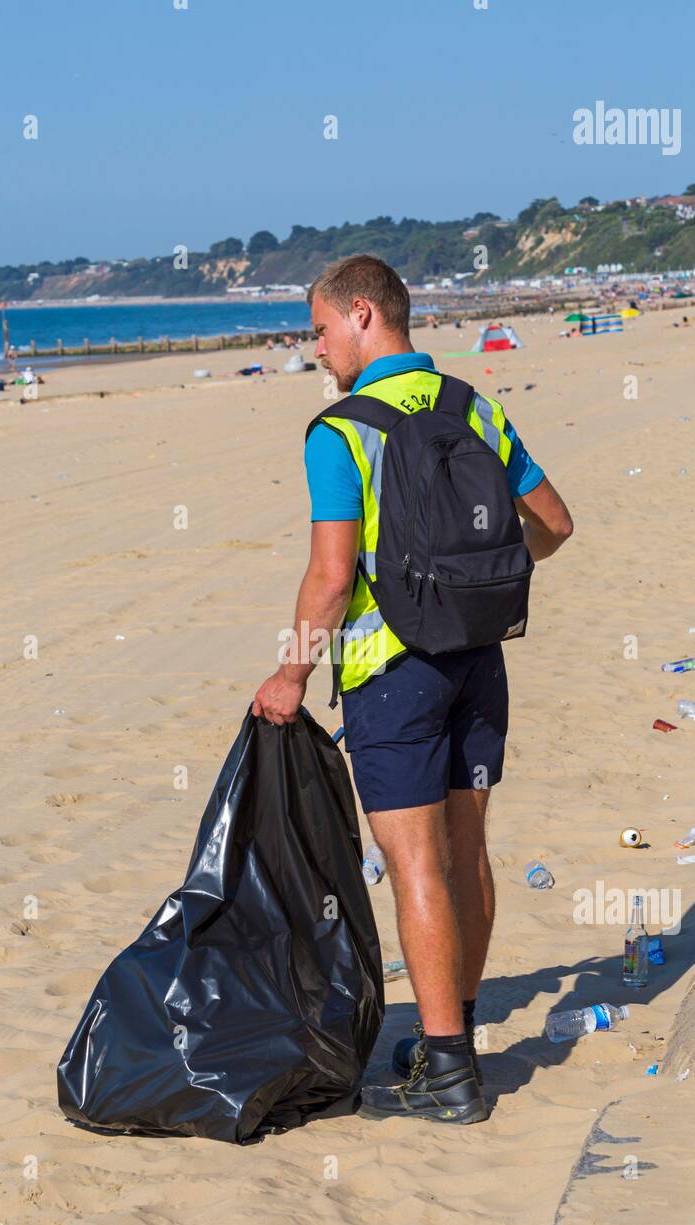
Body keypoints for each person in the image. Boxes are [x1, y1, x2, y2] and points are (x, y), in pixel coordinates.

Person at [252, 255, 573, 1126]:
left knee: (415, 864)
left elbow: (328, 577)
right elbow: (554, 523)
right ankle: (453, 1027)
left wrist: (290, 675)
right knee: (467, 847)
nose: (314, 348)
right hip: (479, 657)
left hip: (392, 675)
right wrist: (489, 586)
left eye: (319, 329)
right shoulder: (475, 404)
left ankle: (451, 1074)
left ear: (364, 314)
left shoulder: (341, 429)